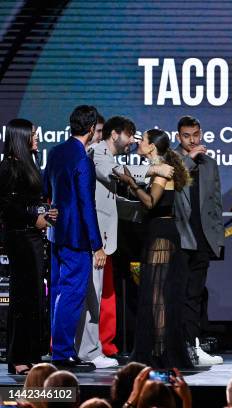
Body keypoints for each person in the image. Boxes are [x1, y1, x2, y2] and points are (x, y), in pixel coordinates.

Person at [77, 115, 174, 369]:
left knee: (94, 295)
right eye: (130, 135)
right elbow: (117, 174)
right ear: (115, 134)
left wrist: (139, 211)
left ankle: (89, 349)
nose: (132, 141)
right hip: (92, 235)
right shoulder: (98, 152)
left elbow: (110, 200)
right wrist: (154, 169)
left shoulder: (107, 155)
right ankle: (90, 351)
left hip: (101, 235)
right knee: (92, 295)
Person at [114, 129, 192, 368]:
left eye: (143, 140)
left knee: (157, 295)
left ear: (152, 147)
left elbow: (150, 202)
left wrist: (130, 183)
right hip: (157, 234)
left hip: (161, 236)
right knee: (157, 293)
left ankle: (160, 349)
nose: (139, 142)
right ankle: (159, 347)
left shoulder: (161, 174)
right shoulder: (157, 169)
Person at [43, 105, 105, 372]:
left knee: (58, 292)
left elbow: (46, 189)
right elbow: (86, 205)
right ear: (91, 129)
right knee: (72, 294)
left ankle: (59, 350)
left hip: (55, 233)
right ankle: (62, 354)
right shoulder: (82, 159)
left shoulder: (56, 152)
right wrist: (97, 245)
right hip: (77, 237)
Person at [0, 119, 57, 375]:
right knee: (23, 298)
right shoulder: (8, 167)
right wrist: (33, 218)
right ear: (20, 137)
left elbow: (30, 200)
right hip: (20, 238)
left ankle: (32, 353)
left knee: (35, 298)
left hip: (32, 238)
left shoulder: (29, 164)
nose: (37, 138)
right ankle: (18, 357)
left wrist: (46, 213)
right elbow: (7, 206)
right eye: (33, 134)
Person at [174, 115, 224, 365]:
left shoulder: (210, 164)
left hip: (202, 238)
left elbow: (215, 202)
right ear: (178, 137)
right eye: (186, 136)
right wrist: (187, 160)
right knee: (178, 295)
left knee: (195, 294)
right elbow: (171, 185)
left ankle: (194, 347)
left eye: (195, 135)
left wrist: (218, 237)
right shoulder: (170, 160)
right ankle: (179, 348)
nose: (192, 140)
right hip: (179, 238)